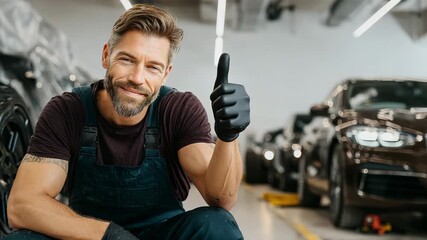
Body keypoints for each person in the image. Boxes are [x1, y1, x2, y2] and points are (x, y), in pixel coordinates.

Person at [3, 4, 250, 240]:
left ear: (166, 74)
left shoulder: (178, 109)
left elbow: (221, 200)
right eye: (127, 60)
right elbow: (22, 205)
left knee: (218, 226)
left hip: (163, 234)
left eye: (153, 67)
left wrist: (229, 136)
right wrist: (109, 235)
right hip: (88, 237)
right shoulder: (68, 111)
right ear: (106, 56)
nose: (137, 78)